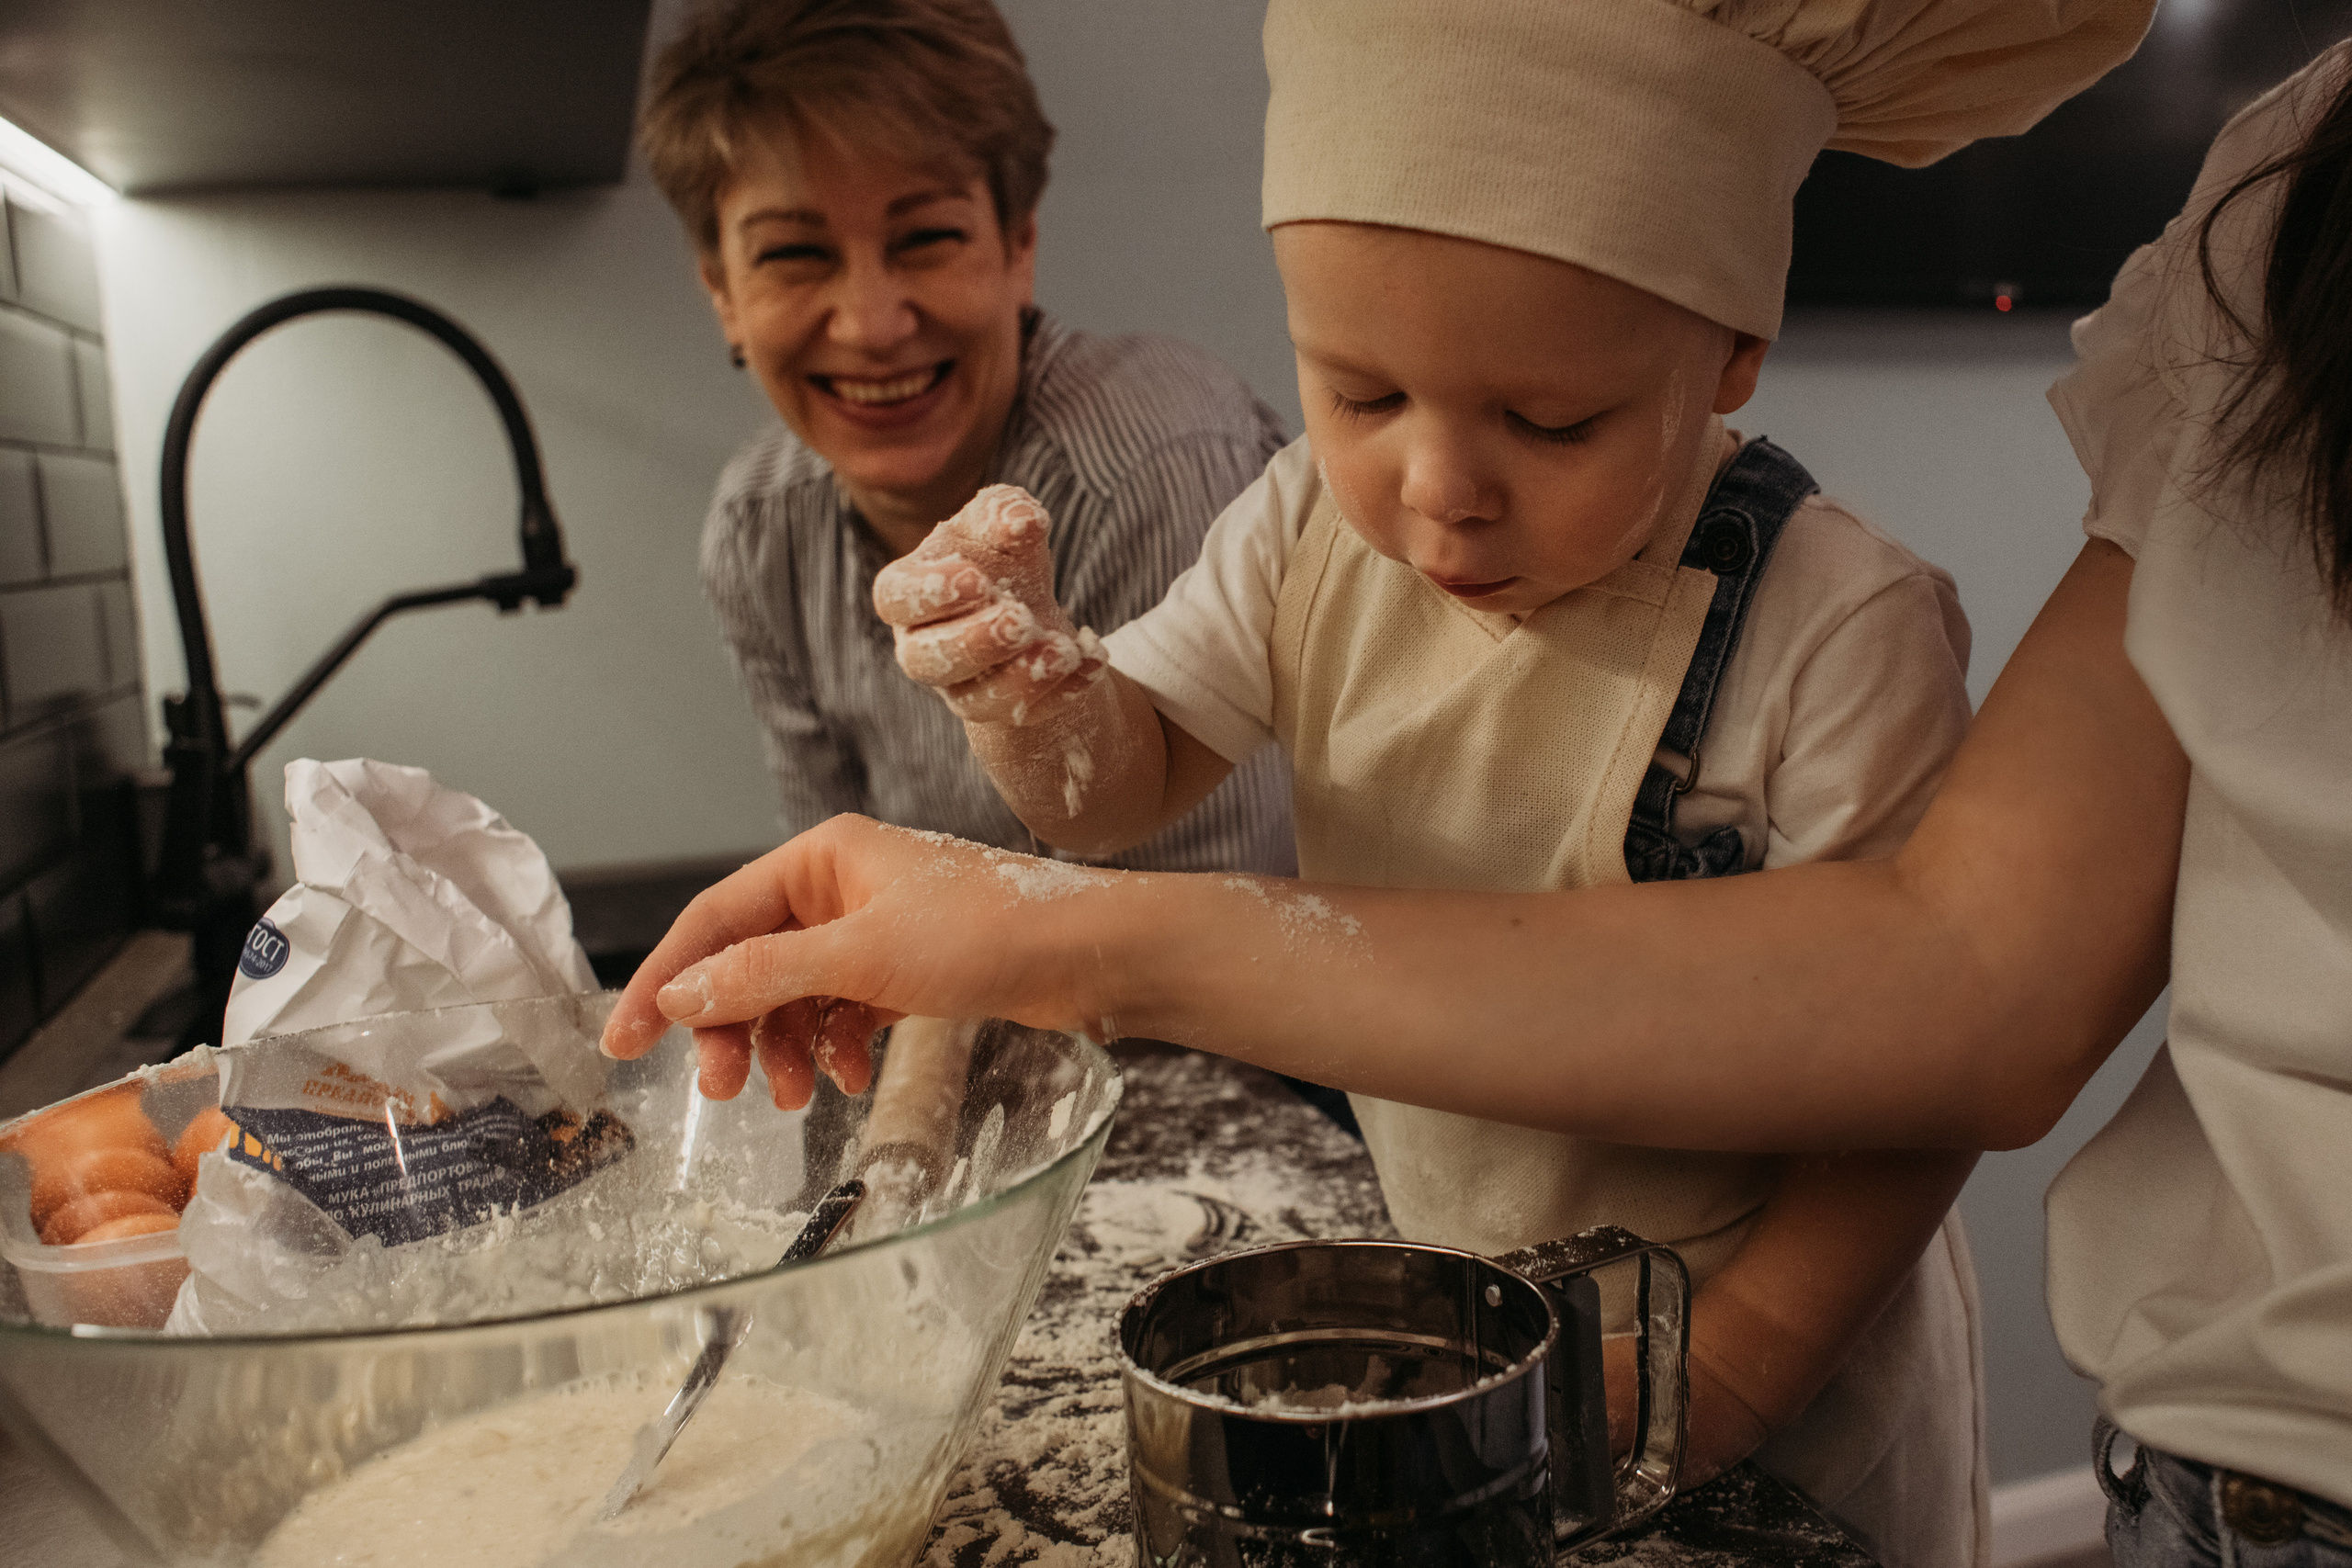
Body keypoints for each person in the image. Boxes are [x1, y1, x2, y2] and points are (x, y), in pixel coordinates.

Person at [611, 30, 2352, 1568]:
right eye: (1360, 391)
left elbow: (1918, 1083)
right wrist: (1035, 685)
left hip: (1775, 1374)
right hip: (1463, 1287)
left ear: (1730, 349)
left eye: (1552, 418)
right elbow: (1117, 787)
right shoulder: (1305, 526)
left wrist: (1731, 1370)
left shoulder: (1845, 626)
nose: (1439, 494)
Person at [636, 0, 1295, 1090]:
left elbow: (1210, 950)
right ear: (723, 296)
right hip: (977, 1066)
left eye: (925, 238)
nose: (872, 321)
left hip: (1235, 1067)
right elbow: (836, 885)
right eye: (796, 255)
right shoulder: (758, 526)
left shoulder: (1156, 465)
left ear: (1018, 245)